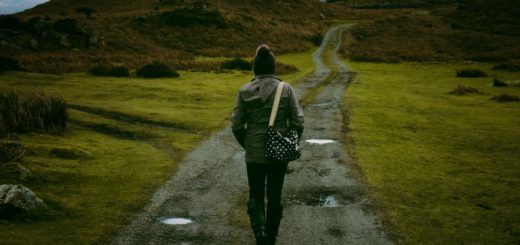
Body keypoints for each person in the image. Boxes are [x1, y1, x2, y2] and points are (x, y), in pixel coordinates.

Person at [231, 44, 304, 245]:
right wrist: (291, 142)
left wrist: (248, 144)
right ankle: (270, 237)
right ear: (273, 67)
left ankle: (259, 236)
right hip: (279, 153)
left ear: (255, 68)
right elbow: (298, 122)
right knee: (274, 195)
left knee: (255, 194)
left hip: (254, 153)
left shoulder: (244, 90)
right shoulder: (286, 89)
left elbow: (236, 124)